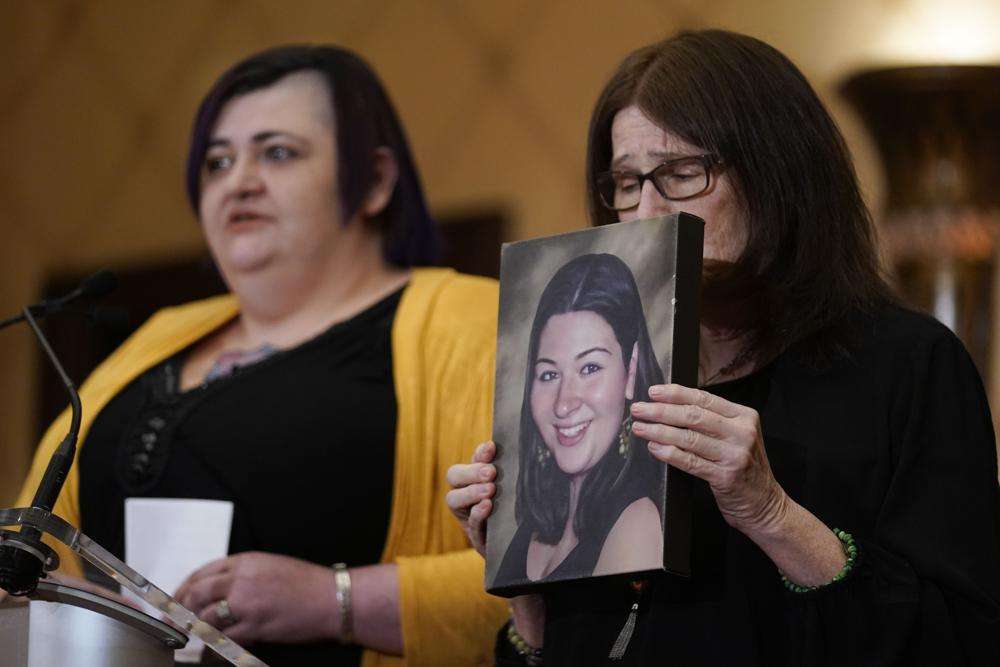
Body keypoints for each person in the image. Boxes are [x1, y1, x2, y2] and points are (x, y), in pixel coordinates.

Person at [447, 29, 1000, 665]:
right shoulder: (611, 378)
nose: (648, 210)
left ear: (777, 173)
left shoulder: (906, 363)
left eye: (681, 174)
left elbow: (960, 640)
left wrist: (770, 511)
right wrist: (523, 581)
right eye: (626, 184)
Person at [15, 45, 506, 666]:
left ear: (376, 181)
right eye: (218, 162)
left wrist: (334, 599)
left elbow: (554, 575)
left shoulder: (471, 322)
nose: (239, 181)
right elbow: (32, 548)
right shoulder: (156, 338)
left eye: (278, 153)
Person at [494, 253, 665, 588]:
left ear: (630, 372)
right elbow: (536, 639)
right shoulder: (540, 521)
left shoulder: (637, 523)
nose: (564, 403)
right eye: (548, 374)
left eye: (590, 368)